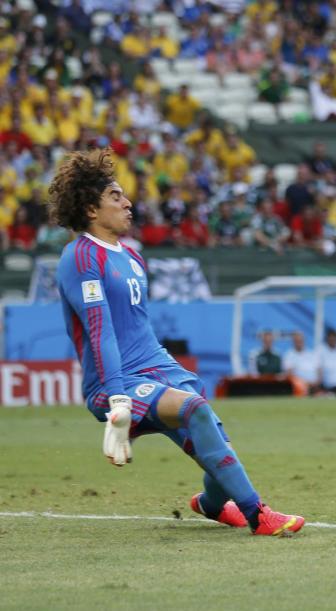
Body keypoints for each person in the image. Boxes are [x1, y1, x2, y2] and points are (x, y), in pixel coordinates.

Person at [50, 149, 303, 536]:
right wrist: (117, 396)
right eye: (115, 197)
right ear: (90, 210)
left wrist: (171, 371)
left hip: (159, 366)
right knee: (196, 410)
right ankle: (259, 516)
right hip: (116, 381)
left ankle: (212, 504)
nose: (128, 202)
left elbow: (138, 326)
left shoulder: (132, 258)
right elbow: (100, 329)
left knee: (219, 444)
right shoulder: (81, 257)